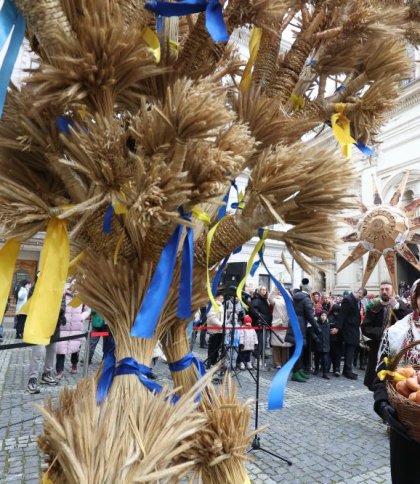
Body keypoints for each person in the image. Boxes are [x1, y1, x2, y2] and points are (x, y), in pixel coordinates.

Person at [372, 279, 420, 484]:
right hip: (406, 424)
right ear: (415, 299)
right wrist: (383, 404)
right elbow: (381, 376)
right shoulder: (396, 332)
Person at [362, 281, 411, 391]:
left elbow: (410, 320)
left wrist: (396, 307)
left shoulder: (401, 305)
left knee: (396, 382)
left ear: (393, 290)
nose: (384, 291)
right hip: (377, 348)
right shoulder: (373, 307)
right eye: (382, 289)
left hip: (396, 350)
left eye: (387, 289)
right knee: (377, 382)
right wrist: (383, 332)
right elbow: (365, 327)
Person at [27, 294, 66, 394]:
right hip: (40, 324)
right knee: (38, 353)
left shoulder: (59, 287)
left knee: (52, 352)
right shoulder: (38, 287)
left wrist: (62, 314)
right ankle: (32, 379)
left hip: (54, 325)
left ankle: (47, 374)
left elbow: (62, 304)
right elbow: (32, 304)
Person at [285, 278, 321, 383]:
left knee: (297, 350)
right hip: (300, 327)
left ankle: (298, 370)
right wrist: (318, 329)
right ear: (309, 290)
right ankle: (296, 374)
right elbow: (310, 316)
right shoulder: (306, 299)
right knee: (298, 351)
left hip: (294, 324)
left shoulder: (295, 297)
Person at [55, 282, 91, 378]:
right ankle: (59, 370)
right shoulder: (62, 294)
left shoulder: (82, 296)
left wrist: (81, 317)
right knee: (60, 348)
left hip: (76, 326)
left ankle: (74, 364)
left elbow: (87, 310)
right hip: (63, 326)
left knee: (75, 347)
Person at [336, 288, 364, 379]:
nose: (360, 298)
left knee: (351, 351)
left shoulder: (355, 301)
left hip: (353, 329)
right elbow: (342, 315)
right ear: (357, 292)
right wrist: (338, 327)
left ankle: (347, 370)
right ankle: (347, 371)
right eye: (359, 296)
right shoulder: (348, 300)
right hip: (348, 330)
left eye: (361, 298)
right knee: (349, 350)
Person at [268, 288, 291, 369]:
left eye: (282, 291)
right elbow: (270, 298)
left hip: (285, 323)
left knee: (285, 345)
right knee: (276, 346)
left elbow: (290, 298)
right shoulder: (275, 299)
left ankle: (285, 362)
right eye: (279, 290)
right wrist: (274, 290)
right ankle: (277, 363)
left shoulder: (287, 299)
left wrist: (283, 288)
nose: (280, 292)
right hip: (276, 323)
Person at [250, 286, 273, 354]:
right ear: (259, 290)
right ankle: (257, 357)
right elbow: (254, 312)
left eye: (265, 290)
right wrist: (265, 318)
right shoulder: (256, 300)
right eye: (262, 289)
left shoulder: (265, 300)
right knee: (259, 342)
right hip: (258, 324)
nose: (264, 291)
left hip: (264, 323)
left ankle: (261, 354)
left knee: (263, 341)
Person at [206, 291, 224, 368]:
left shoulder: (221, 305)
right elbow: (211, 317)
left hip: (220, 330)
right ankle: (209, 362)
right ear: (217, 297)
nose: (223, 297)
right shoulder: (212, 305)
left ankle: (214, 362)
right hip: (214, 330)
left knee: (217, 347)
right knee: (212, 347)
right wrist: (221, 325)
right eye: (221, 296)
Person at [313, 310, 331, 379]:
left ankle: (325, 373)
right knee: (317, 357)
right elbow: (312, 332)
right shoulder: (316, 324)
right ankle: (316, 369)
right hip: (318, 343)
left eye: (325, 315)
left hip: (325, 344)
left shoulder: (328, 325)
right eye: (322, 315)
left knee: (325, 359)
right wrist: (316, 339)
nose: (323, 317)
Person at [328, 303, 342, 376]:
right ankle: (335, 368)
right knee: (333, 354)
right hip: (332, 339)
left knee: (337, 354)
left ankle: (336, 368)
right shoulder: (330, 317)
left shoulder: (340, 317)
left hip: (338, 339)